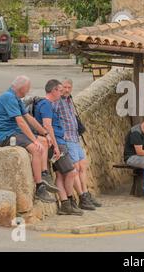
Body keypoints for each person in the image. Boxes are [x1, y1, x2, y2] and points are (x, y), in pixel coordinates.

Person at [0, 76, 59, 203]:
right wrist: (34, 141)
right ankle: (40, 186)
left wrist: (45, 134)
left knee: (44, 142)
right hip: (5, 135)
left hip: (15, 133)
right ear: (21, 88)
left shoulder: (16, 98)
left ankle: (44, 173)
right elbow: (21, 122)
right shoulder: (8, 97)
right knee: (36, 149)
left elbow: (29, 118)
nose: (28, 92)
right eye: (27, 89)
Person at [34, 79, 83, 216]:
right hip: (58, 144)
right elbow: (47, 126)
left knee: (62, 175)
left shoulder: (48, 104)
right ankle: (68, 202)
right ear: (54, 90)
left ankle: (66, 204)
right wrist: (55, 146)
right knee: (71, 172)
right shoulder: (46, 105)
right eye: (60, 90)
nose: (61, 93)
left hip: (60, 142)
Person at [53, 78, 101, 210]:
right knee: (75, 168)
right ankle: (82, 197)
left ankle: (85, 193)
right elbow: (52, 113)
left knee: (82, 165)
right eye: (64, 87)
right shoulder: (57, 101)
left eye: (69, 87)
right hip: (67, 138)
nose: (67, 90)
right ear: (59, 88)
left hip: (75, 137)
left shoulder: (69, 100)